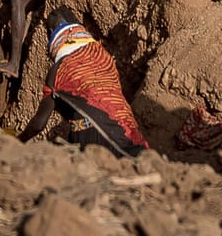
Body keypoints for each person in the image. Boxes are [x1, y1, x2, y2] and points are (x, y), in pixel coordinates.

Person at [17, 9, 150, 157]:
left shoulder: (59, 70)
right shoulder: (103, 56)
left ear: (51, 34)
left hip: (95, 134)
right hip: (129, 130)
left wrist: (17, 141)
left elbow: (39, 124)